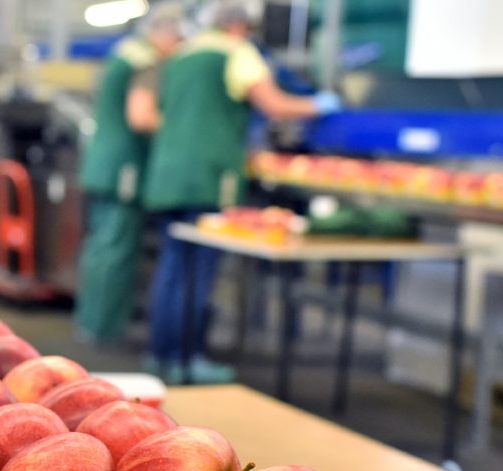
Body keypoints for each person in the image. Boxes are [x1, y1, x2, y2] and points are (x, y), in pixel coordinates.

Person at [141, 0, 340, 384]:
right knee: (198, 270)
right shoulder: (237, 53)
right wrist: (319, 104)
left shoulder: (181, 55)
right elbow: (274, 104)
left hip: (168, 172)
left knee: (173, 266)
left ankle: (162, 355)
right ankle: (188, 358)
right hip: (208, 175)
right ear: (239, 26)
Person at [72, 4, 187, 345]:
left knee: (102, 244)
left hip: (105, 163)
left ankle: (91, 321)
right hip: (125, 167)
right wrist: (181, 128)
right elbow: (142, 117)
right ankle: (104, 327)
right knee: (116, 247)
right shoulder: (145, 62)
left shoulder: (123, 54)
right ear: (165, 35)